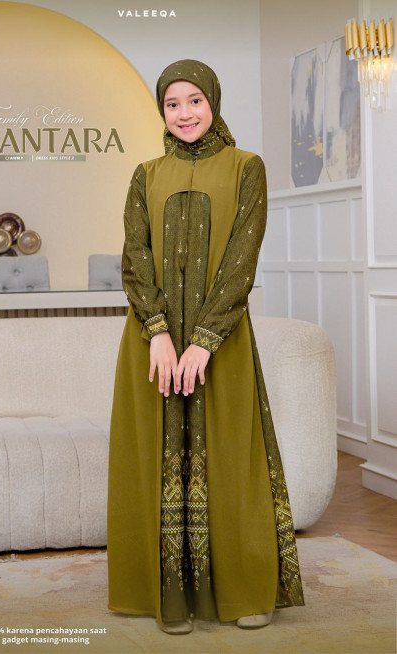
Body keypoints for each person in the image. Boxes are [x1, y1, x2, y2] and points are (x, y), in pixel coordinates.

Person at [107, 59, 305, 635]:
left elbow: (243, 259)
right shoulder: (145, 174)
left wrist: (204, 342)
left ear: (213, 102)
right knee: (155, 461)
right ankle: (170, 598)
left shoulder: (246, 167)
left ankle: (245, 592)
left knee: (231, 459)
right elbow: (135, 258)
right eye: (172, 104)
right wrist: (158, 333)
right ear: (162, 111)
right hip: (153, 345)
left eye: (194, 100)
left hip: (222, 341)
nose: (184, 113)